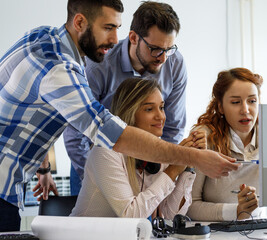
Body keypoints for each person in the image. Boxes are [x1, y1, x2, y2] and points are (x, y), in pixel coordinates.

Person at [0, 0, 237, 232]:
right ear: (80, 22)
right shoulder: (67, 67)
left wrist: (175, 167)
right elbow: (105, 132)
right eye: (108, 28)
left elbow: (32, 112)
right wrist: (189, 158)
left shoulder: (44, 38)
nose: (114, 40)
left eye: (117, 28)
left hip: (132, 161)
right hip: (25, 179)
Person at [64, 1, 188, 196]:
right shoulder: (98, 65)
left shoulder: (175, 63)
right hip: (96, 163)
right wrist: (98, 177)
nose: (163, 58)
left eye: (169, 49)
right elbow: (76, 132)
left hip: (147, 166)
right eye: (155, 49)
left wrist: (158, 174)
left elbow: (173, 128)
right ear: (133, 38)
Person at [71, 78, 204, 219]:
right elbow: (131, 216)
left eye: (162, 107)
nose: (161, 116)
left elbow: (172, 215)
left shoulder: (157, 154)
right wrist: (171, 171)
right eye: (149, 109)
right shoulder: (104, 152)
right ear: (130, 113)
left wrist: (188, 166)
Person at [187, 68, 262, 221]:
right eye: (235, 102)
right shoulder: (203, 138)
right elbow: (188, 206)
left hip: (262, 228)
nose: (245, 110)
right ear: (220, 107)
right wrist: (236, 211)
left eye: (252, 101)